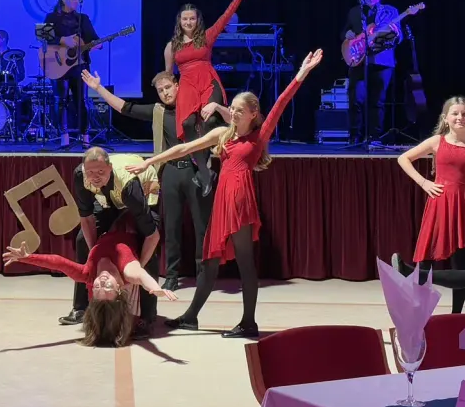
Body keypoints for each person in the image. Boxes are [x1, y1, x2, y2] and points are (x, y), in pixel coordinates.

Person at [130, 50, 323, 338]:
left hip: (240, 202)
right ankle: (191, 317)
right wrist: (149, 161)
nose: (232, 112)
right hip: (222, 201)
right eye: (231, 108)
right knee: (209, 260)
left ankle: (248, 322)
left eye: (238, 110)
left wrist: (302, 72)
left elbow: (282, 102)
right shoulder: (223, 134)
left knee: (245, 262)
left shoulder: (259, 135)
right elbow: (184, 148)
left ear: (252, 114)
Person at [82, 68, 223, 292]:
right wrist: (99, 89)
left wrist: (216, 106)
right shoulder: (158, 111)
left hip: (196, 172)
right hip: (169, 172)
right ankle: (172, 276)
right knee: (172, 226)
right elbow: (125, 108)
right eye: (160, 90)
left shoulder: (196, 107)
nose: (165, 93)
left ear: (177, 86)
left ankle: (203, 275)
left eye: (168, 87)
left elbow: (224, 119)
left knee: (201, 226)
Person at [3, 214, 177, 347]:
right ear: (119, 288)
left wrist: (26, 257)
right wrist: (155, 288)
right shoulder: (128, 272)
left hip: (108, 224)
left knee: (81, 237)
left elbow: (57, 262)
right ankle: (148, 316)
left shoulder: (87, 274)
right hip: (134, 225)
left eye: (97, 288)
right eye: (107, 286)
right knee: (151, 237)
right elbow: (142, 275)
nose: (102, 281)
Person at [163, 0, 259, 192]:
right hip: (187, 85)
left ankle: (204, 164)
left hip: (208, 81)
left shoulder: (207, 37)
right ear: (179, 21)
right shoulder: (172, 46)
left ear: (198, 20)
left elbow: (225, 18)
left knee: (210, 120)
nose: (188, 22)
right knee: (187, 125)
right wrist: (168, 95)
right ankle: (205, 173)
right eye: (185, 19)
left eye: (192, 19)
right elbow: (168, 75)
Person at [395, 97, 465, 314]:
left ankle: (456, 314)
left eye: (464, 114)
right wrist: (424, 182)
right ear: (445, 118)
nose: (460, 117)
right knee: (426, 261)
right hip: (439, 205)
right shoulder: (437, 141)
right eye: (455, 113)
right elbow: (404, 159)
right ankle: (418, 310)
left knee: (461, 266)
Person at [57, 147, 161, 335]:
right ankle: (80, 307)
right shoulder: (81, 175)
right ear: (83, 169)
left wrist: (135, 271)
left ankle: (147, 316)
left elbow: (153, 235)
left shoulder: (130, 187)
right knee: (82, 239)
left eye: (100, 172)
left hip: (142, 188)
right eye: (91, 172)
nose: (95, 177)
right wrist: (95, 255)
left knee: (146, 245)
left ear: (110, 168)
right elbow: (87, 217)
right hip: (111, 194)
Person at [343, 0, 401, 144]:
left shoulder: (391, 11)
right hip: (358, 60)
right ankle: (355, 136)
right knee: (356, 99)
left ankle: (375, 137)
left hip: (382, 62)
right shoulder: (355, 11)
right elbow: (344, 32)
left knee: (377, 101)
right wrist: (347, 35)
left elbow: (399, 38)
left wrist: (395, 34)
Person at [43, 0, 99, 147]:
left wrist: (96, 44)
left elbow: (93, 38)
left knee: (82, 100)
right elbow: (44, 38)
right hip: (57, 65)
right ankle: (63, 135)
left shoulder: (83, 18)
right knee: (60, 100)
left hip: (79, 65)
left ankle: (84, 135)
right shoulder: (51, 17)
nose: (76, 1)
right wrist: (62, 40)